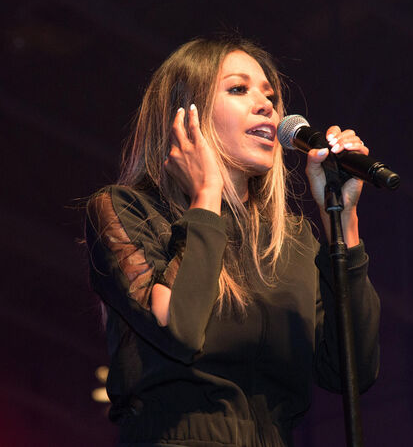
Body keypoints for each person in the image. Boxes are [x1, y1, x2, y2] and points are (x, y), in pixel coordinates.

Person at [85, 35, 380, 447]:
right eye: (239, 89)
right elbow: (180, 331)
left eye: (270, 96)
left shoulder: (290, 241)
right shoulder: (128, 212)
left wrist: (343, 218)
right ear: (185, 116)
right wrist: (207, 196)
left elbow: (352, 371)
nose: (267, 106)